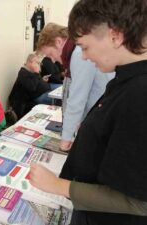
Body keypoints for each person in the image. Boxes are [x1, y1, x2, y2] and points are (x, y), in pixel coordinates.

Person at [30, 0, 147, 224]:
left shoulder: (140, 93)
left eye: (85, 47)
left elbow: (137, 201)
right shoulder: (125, 77)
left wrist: (57, 185)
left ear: (116, 36)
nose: (83, 57)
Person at [37, 23, 114, 151]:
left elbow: (77, 99)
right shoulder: (75, 52)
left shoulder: (78, 54)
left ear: (58, 41)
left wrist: (66, 138)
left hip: (99, 120)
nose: (53, 60)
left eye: (50, 54)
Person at [9, 53, 51, 118]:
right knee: (56, 99)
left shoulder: (30, 72)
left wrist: (42, 79)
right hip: (27, 101)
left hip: (41, 94)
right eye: (37, 63)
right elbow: (32, 87)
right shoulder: (23, 73)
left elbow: (35, 82)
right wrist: (36, 73)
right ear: (31, 62)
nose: (39, 65)